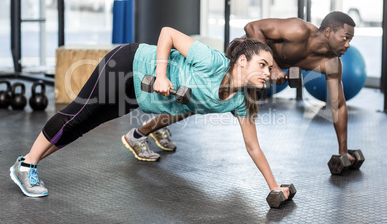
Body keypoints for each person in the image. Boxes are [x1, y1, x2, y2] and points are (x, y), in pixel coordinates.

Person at [10, 27, 292, 200]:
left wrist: (273, 187)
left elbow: (253, 147)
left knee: (81, 126)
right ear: (242, 61)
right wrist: (160, 75)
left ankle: (25, 164)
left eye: (270, 68)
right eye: (263, 65)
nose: (268, 73)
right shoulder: (211, 62)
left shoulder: (239, 102)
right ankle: (27, 167)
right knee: (76, 114)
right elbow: (167, 32)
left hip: (137, 95)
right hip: (129, 64)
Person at [137, 11, 357, 165]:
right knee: (195, 102)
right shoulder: (299, 30)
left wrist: (343, 151)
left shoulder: (332, 63)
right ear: (328, 32)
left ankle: (151, 129)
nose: (348, 44)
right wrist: (275, 68)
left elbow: (338, 105)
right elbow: (252, 27)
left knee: (197, 105)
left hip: (261, 76)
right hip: (241, 63)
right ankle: (141, 133)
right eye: (345, 38)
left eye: (350, 40)